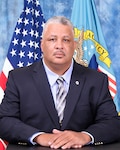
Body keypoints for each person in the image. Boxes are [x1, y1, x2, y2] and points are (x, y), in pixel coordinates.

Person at [0, 16, 120, 149]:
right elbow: (4, 121)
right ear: (42, 45)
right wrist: (38, 136)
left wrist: (85, 136)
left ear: (74, 45)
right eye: (52, 39)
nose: (59, 46)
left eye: (66, 40)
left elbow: (113, 123)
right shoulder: (19, 78)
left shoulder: (96, 80)